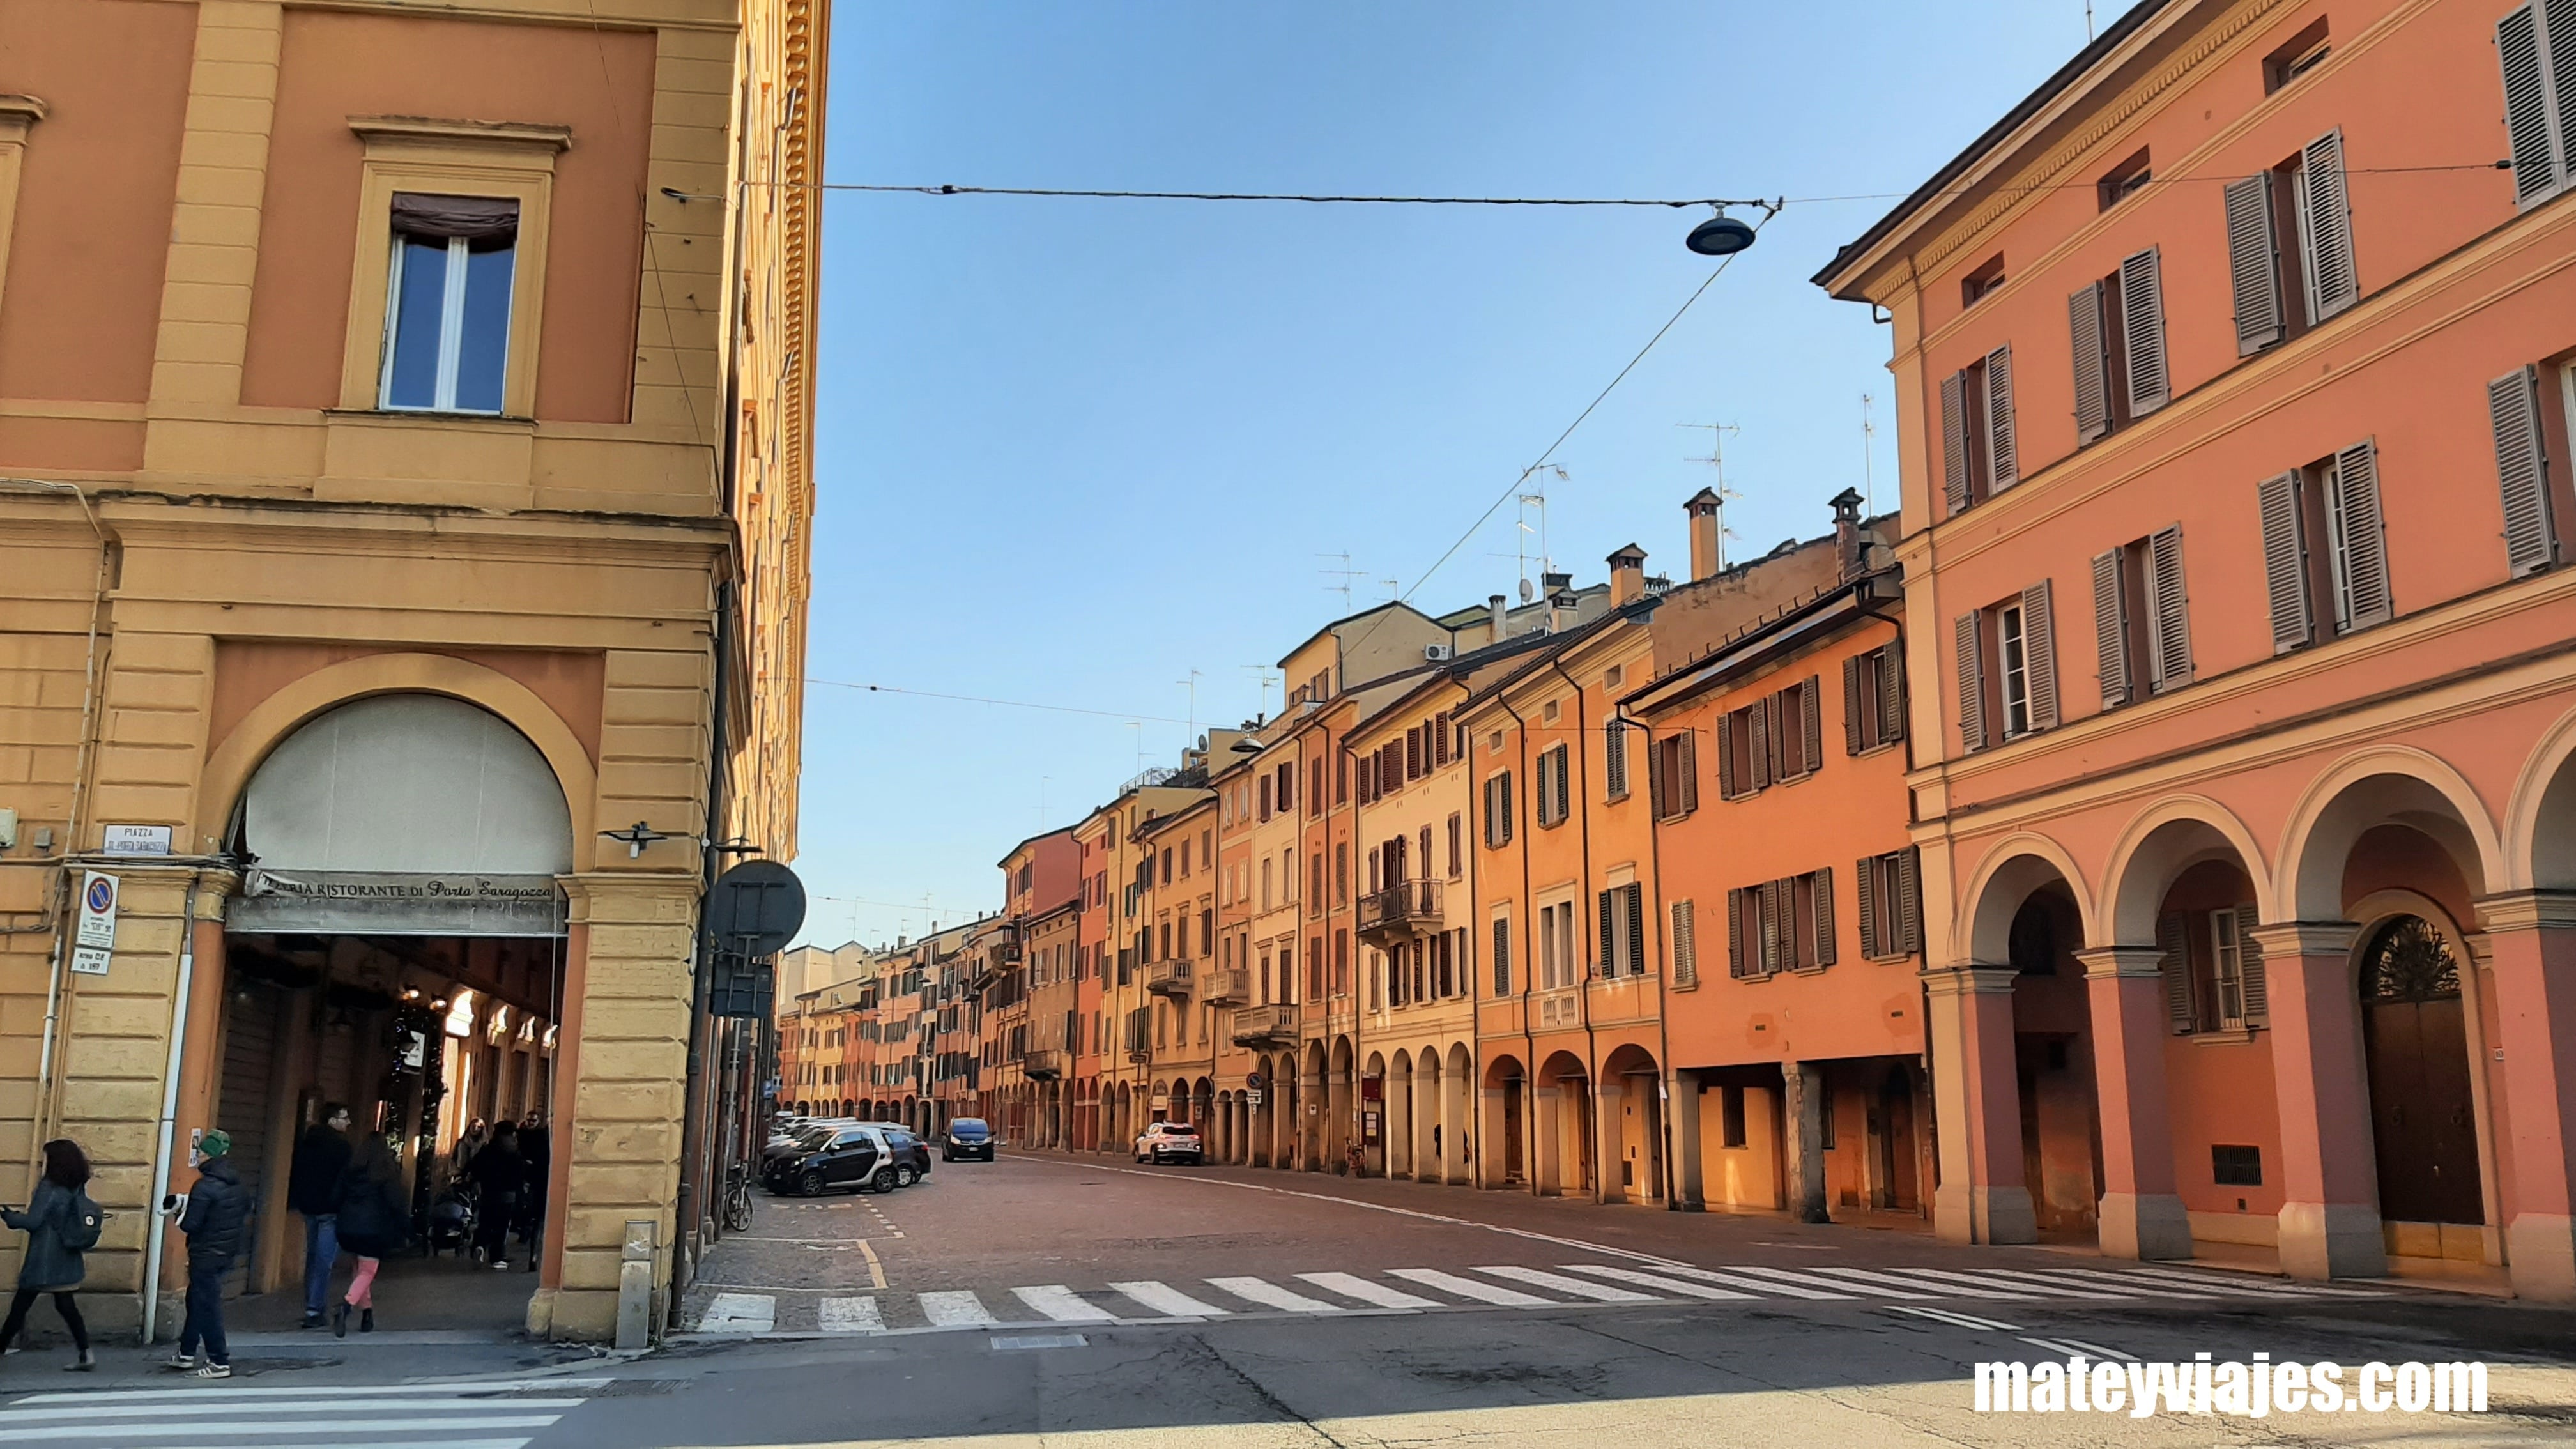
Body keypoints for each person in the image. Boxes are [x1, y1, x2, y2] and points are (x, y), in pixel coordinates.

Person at [0, 1140, 96, 1371]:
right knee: (66, 1306)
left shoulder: (49, 1188)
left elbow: (34, 1221)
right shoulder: (76, 1185)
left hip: (44, 1258)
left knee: (21, 1304)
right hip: (67, 1255)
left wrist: (10, 1217)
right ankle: (86, 1353)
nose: (43, 1163)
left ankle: (1, 1347)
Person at [170, 1130, 248, 1379]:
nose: (199, 1155)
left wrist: (178, 1210)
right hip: (226, 1251)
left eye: (201, 1151)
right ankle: (186, 1353)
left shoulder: (204, 1186)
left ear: (208, 1155)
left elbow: (191, 1224)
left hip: (205, 1253)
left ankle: (218, 1361)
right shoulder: (237, 1184)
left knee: (207, 1305)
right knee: (197, 1299)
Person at [330, 1134, 406, 1336]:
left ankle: (367, 1314)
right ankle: (346, 1306)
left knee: (359, 1271)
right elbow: (396, 1202)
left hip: (347, 1228)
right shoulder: (386, 1173)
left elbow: (335, 1198)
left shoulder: (349, 1171)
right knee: (367, 1272)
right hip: (372, 1230)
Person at [288, 1103, 352, 1330]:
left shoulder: (306, 1144)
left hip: (309, 1208)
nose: (348, 1122)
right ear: (332, 1121)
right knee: (324, 1261)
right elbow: (347, 1180)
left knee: (313, 1257)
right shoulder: (343, 1148)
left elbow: (296, 1174)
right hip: (330, 1211)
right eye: (344, 1117)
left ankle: (312, 1306)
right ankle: (314, 1310)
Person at [464, 1121, 524, 1270]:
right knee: (502, 1227)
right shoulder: (514, 1151)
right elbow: (520, 1172)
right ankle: (497, 1258)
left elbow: (475, 1166)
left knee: (485, 1222)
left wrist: (476, 1180)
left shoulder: (488, 1149)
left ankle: (480, 1245)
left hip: (489, 1192)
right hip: (507, 1194)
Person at [515, 1113, 549, 1269]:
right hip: (539, 1184)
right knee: (538, 1222)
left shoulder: (537, 1137)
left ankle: (533, 1255)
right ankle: (534, 1256)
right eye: (528, 1120)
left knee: (534, 1219)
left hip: (532, 1183)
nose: (530, 1123)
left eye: (533, 1120)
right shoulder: (543, 1140)